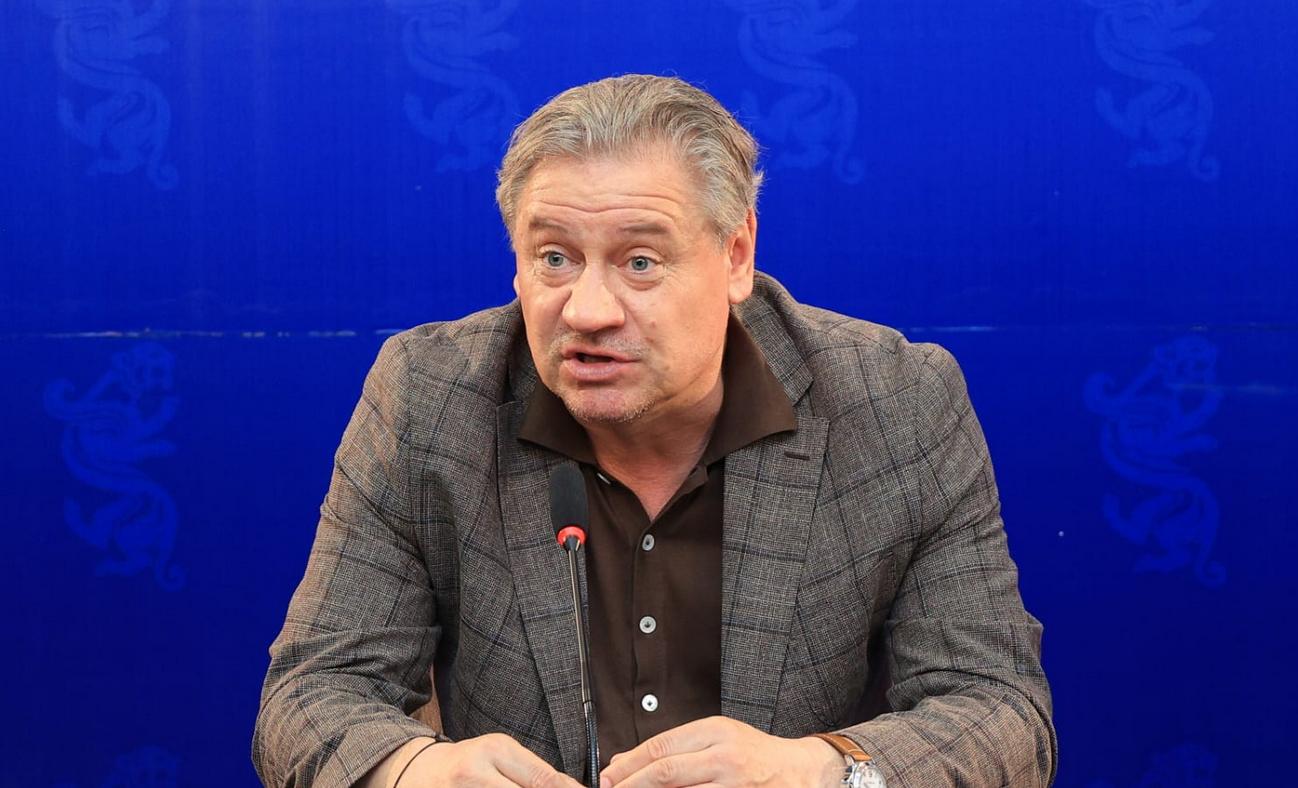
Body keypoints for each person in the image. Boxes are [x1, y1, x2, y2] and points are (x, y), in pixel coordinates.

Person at [253, 74, 1056, 788]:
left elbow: (1001, 711)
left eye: (640, 262)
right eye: (555, 258)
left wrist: (817, 771)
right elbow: (310, 694)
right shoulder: (432, 397)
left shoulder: (896, 402)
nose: (587, 311)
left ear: (736, 256)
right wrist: (416, 771)